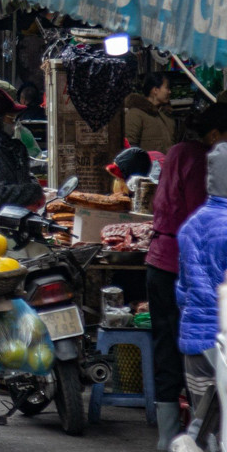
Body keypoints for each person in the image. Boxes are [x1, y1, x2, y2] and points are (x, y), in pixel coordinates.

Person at [147, 103, 227, 449]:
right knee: (201, 361)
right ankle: (195, 435)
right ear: (214, 135)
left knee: (167, 348)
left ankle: (167, 436)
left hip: (160, 261)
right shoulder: (202, 162)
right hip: (180, 265)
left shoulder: (177, 151)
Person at [176, 143, 227, 421]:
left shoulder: (192, 224)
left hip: (195, 345)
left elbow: (183, 290)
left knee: (203, 422)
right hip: (223, 345)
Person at [125, 72, 176, 153]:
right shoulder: (136, 114)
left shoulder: (166, 115)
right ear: (155, 90)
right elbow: (129, 145)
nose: (169, 92)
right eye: (167, 88)